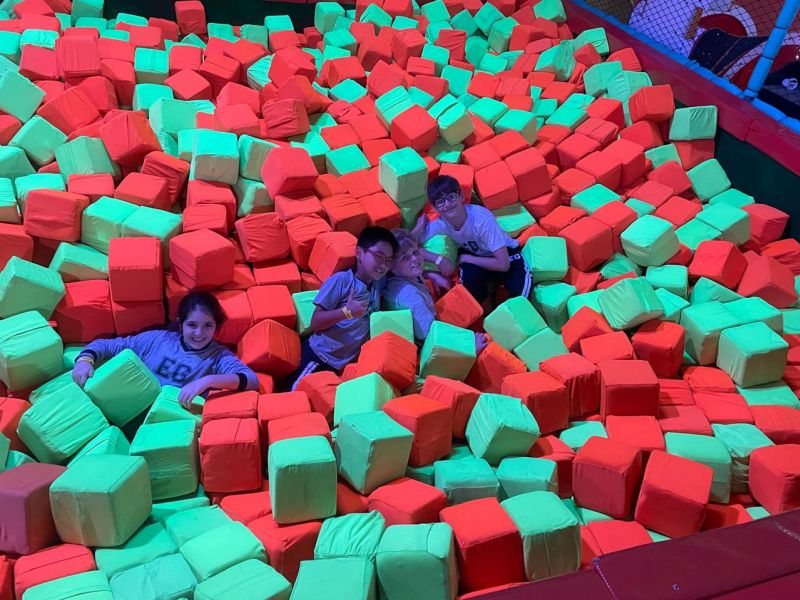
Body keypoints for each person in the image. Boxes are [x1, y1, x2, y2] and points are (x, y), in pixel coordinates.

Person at [72, 291, 259, 406]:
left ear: (216, 327)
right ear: (181, 324)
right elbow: (110, 345)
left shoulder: (218, 356)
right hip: (121, 406)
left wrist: (208, 381)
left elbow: (251, 380)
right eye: (192, 325)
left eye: (208, 326)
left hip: (166, 426)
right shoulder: (157, 339)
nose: (199, 333)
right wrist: (84, 360)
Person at [288, 226, 398, 390]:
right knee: (294, 396)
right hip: (320, 357)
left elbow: (406, 248)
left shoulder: (376, 282)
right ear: (359, 253)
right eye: (378, 257)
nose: (383, 265)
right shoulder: (342, 281)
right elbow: (316, 322)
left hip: (342, 366)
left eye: (388, 260)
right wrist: (346, 312)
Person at [412, 174, 532, 306]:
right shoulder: (442, 223)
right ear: (435, 208)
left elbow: (503, 265)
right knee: (470, 294)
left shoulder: (481, 220)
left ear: (461, 196)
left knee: (521, 302)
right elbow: (406, 246)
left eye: (451, 196)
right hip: (477, 255)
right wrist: (437, 258)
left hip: (506, 255)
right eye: (440, 201)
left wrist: (468, 259)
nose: (447, 204)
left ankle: (496, 291)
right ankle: (487, 305)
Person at [384, 229, 488, 353]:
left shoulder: (403, 276)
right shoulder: (411, 296)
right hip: (427, 348)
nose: (415, 259)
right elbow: (431, 338)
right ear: (392, 266)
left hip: (430, 328)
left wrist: (432, 275)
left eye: (415, 252)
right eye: (405, 258)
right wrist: (469, 347)